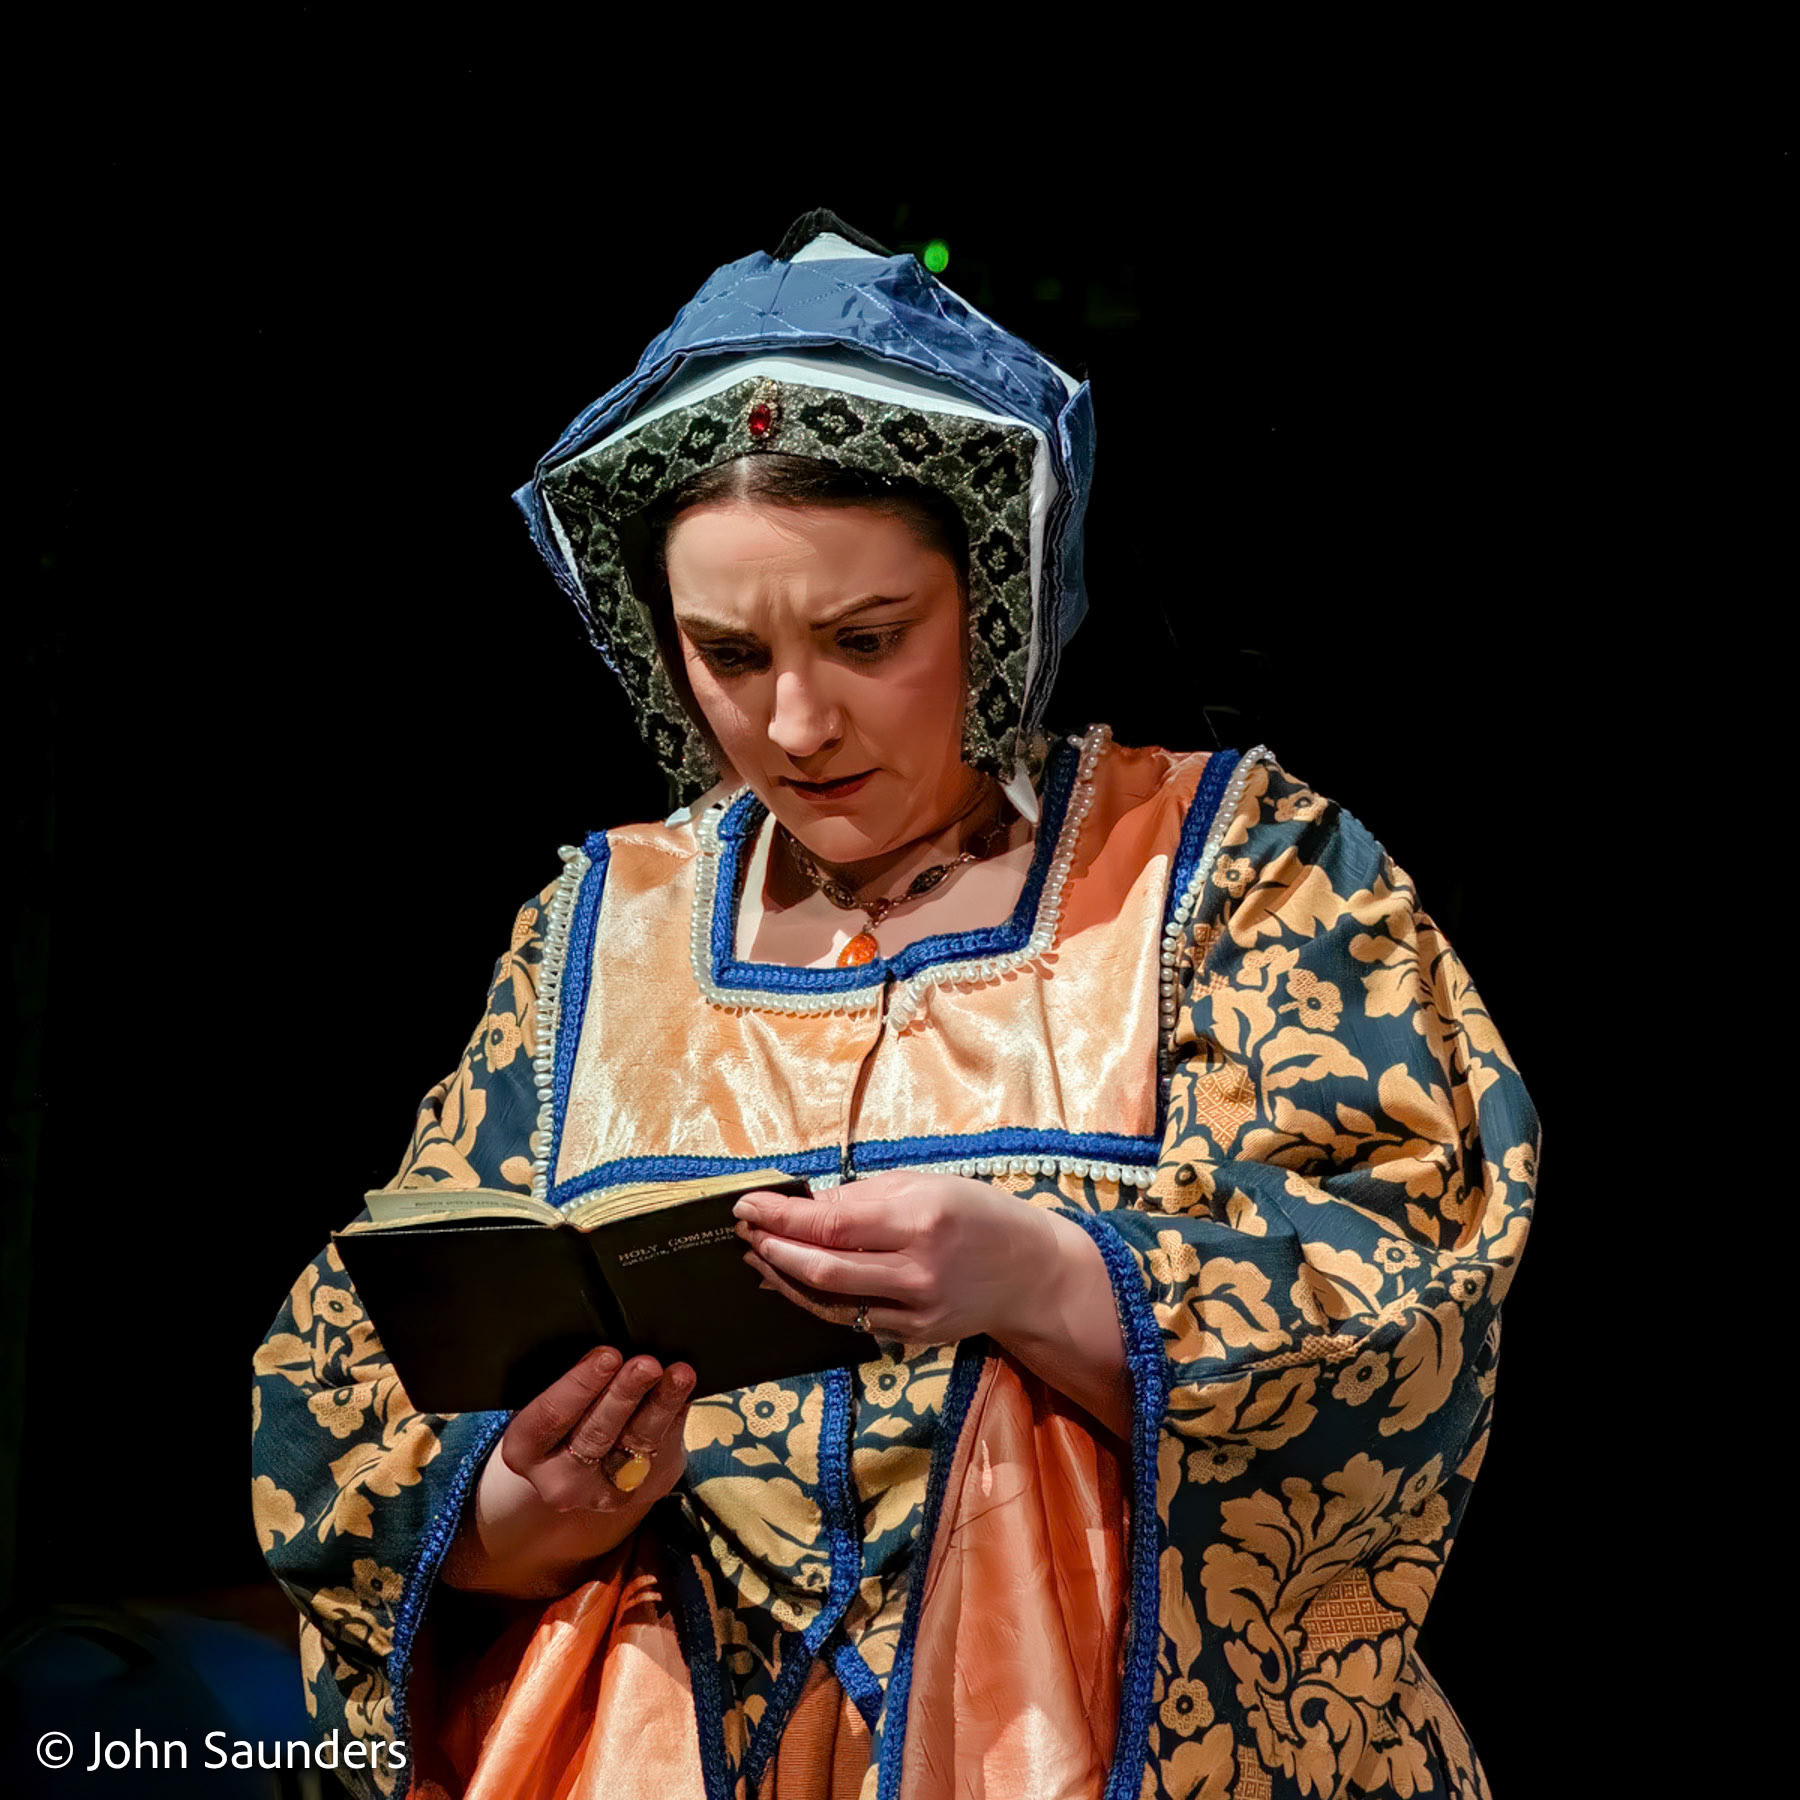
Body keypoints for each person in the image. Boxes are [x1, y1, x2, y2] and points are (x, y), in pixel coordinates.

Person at [251, 209, 1538, 1800]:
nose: (796, 723)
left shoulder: (1232, 873)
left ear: (993, 599)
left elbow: (1407, 1292)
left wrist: (1046, 1276)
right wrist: (520, 1511)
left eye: (868, 640)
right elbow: (349, 1391)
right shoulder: (598, 928)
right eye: (729, 654)